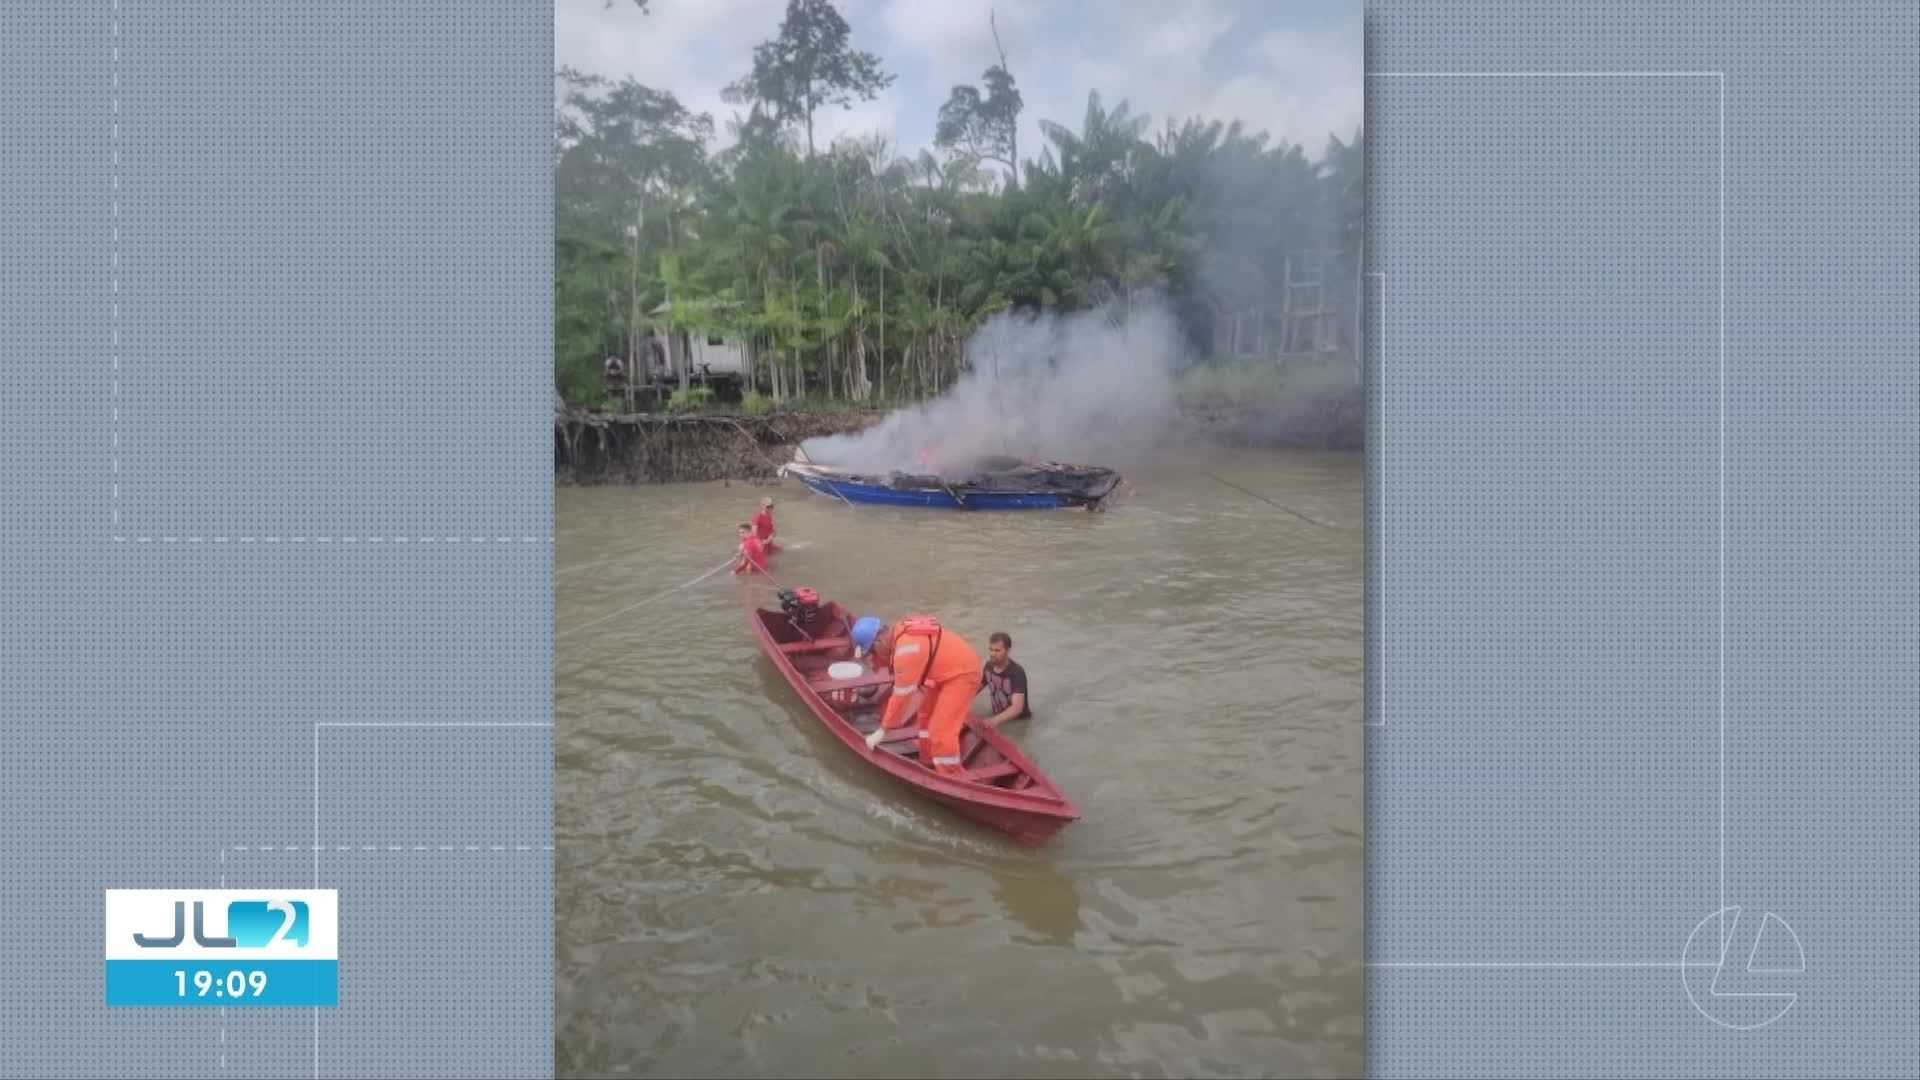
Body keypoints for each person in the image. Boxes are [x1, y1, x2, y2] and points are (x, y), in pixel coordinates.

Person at [851, 613, 982, 777]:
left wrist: (882, 731)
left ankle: (952, 776)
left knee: (941, 731)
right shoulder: (898, 636)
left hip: (963, 674)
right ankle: (928, 761)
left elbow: (901, 697)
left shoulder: (906, 650)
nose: (874, 657)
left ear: (878, 642)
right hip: (946, 672)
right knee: (925, 715)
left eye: (872, 652)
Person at [979, 631, 1032, 728]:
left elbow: (1017, 708)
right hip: (998, 717)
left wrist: (994, 720)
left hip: (1018, 723)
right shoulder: (988, 667)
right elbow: (975, 688)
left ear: (1007, 650)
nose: (992, 654)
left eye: (997, 650)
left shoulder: (1017, 672)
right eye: (990, 649)